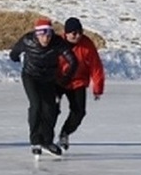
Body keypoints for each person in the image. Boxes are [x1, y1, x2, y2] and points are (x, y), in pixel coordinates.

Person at [10, 18, 78, 157]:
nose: (45, 39)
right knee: (36, 105)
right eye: (42, 35)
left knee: (50, 109)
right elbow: (14, 53)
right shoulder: (27, 40)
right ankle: (35, 140)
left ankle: (47, 141)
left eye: (48, 35)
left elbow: (73, 61)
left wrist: (65, 78)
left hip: (48, 79)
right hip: (31, 77)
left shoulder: (57, 42)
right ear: (37, 34)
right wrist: (16, 58)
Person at [56, 17, 105, 151]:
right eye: (74, 33)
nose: (78, 36)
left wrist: (98, 88)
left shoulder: (87, 44)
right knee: (51, 109)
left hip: (78, 82)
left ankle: (65, 133)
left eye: (80, 32)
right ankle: (45, 138)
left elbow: (96, 66)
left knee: (79, 112)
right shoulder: (57, 42)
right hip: (58, 81)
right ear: (66, 33)